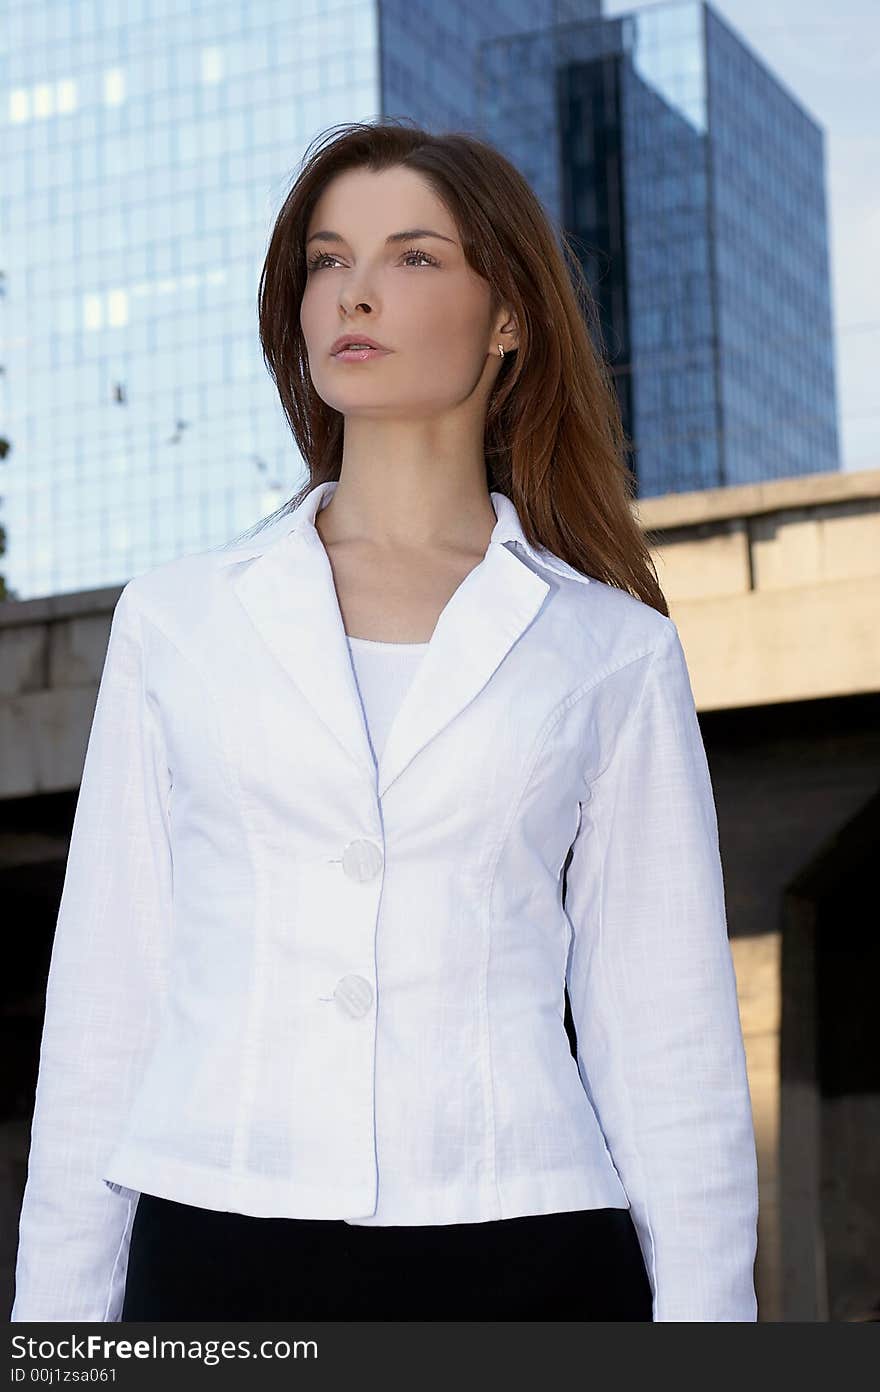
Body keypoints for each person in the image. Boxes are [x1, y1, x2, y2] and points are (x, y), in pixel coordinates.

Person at [10, 119, 759, 1323]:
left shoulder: (611, 650)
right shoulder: (181, 621)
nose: (354, 291)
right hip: (213, 1252)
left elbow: (665, 1039)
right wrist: (53, 1334)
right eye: (325, 260)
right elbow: (109, 1005)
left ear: (507, 314)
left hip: (529, 1250)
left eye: (412, 257)